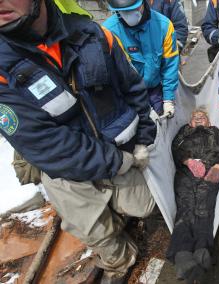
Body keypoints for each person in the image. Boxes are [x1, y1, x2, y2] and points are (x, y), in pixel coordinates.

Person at [0, 0, 157, 283]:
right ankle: (118, 255)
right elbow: (49, 146)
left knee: (145, 206)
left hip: (118, 149)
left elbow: (134, 90)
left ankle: (116, 213)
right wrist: (118, 162)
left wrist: (143, 141)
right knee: (95, 228)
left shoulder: (93, 35)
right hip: (68, 168)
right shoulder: (3, 68)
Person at [166, 108, 219, 283]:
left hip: (209, 170)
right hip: (186, 172)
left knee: (204, 207)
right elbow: (175, 149)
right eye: (195, 116)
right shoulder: (184, 131)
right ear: (190, 121)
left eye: (202, 116)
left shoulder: (215, 132)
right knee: (186, 207)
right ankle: (182, 252)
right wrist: (188, 161)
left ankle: (202, 248)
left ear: (209, 121)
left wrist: (217, 167)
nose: (198, 118)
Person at [104, 0, 179, 118]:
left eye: (133, 9)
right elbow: (116, 75)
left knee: (163, 125)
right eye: (124, 11)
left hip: (155, 90)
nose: (129, 14)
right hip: (128, 97)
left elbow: (170, 65)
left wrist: (168, 99)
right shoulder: (108, 32)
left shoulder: (164, 26)